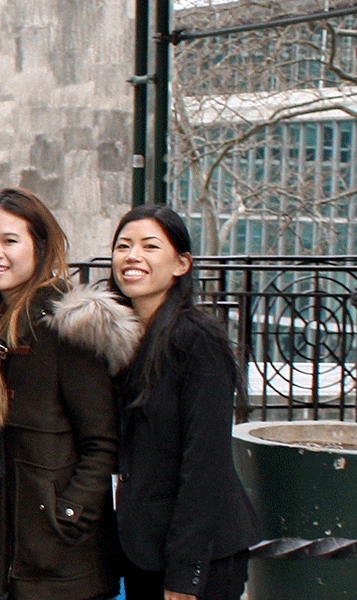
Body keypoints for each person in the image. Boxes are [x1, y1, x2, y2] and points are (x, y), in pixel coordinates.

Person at [0, 188, 131, 600]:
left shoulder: (66, 327)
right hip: (14, 548)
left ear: (40, 247)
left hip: (60, 559)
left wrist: (68, 515)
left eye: (10, 240)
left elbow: (101, 441)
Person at [109, 204, 261, 600]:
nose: (132, 256)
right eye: (123, 245)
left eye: (150, 246)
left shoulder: (197, 341)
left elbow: (205, 461)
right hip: (141, 551)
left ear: (181, 264)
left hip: (200, 555)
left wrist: (185, 573)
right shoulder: (116, 340)